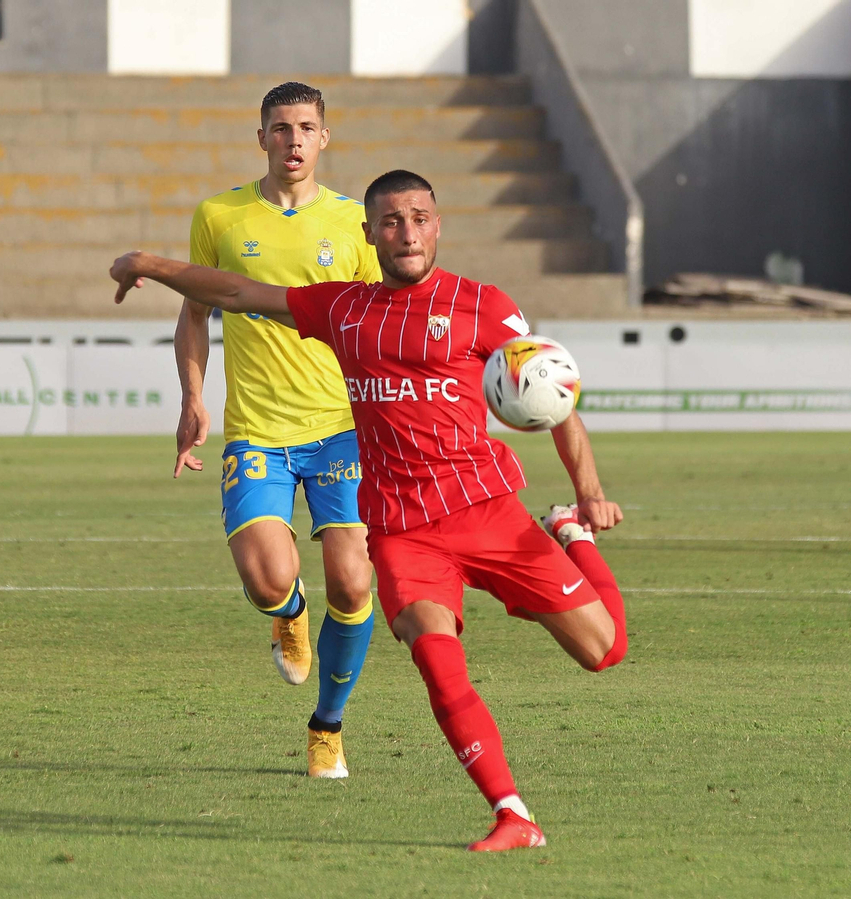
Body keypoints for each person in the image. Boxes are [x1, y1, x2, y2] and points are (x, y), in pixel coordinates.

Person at [111, 170, 629, 852]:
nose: (406, 231)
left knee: (604, 650)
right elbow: (237, 291)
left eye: (418, 217)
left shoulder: (485, 306)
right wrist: (148, 263)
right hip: (402, 531)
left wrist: (587, 492)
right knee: (437, 659)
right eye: (390, 220)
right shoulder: (343, 309)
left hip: (489, 512)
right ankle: (512, 812)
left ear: (437, 225)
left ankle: (569, 534)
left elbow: (554, 397)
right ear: (369, 233)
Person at [172, 82, 381, 778]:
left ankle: (328, 727)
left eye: (307, 127)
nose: (294, 140)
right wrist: (193, 397)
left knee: (353, 585)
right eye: (281, 127)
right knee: (269, 578)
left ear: (326, 138)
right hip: (258, 430)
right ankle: (287, 613)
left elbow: (384, 325)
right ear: (260, 137)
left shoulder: (357, 223)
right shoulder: (221, 216)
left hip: (342, 431)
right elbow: (194, 315)